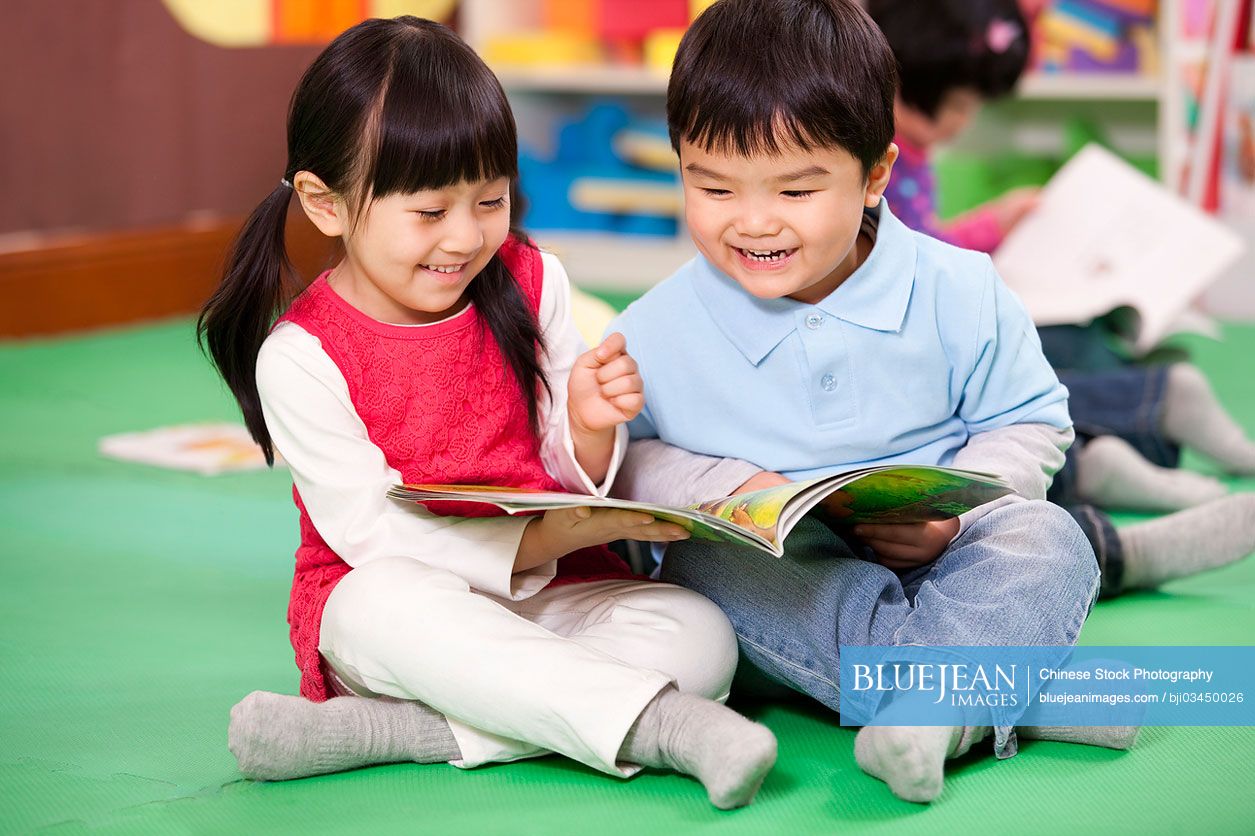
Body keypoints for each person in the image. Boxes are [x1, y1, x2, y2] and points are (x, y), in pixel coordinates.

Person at [197, 17, 776, 809]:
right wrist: (549, 536)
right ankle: (660, 728)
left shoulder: (534, 282)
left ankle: (405, 733)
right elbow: (375, 540)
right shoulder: (300, 356)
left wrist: (590, 424)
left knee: (697, 631)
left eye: (490, 200)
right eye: (429, 213)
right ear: (324, 204)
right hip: (409, 608)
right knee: (375, 608)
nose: (466, 237)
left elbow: (570, 466)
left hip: (556, 591)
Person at [607, 0, 1114, 804]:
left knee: (1049, 536)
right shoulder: (650, 328)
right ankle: (960, 700)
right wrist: (722, 486)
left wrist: (954, 511)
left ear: (876, 174)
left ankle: (934, 702)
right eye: (712, 186)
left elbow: (1028, 422)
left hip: (953, 556)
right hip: (794, 581)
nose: (753, 222)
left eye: (797, 190)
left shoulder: (958, 288)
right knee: (702, 565)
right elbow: (621, 459)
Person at [869, 0, 1255, 597]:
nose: (963, 124)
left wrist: (991, 229)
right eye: (961, 106)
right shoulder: (881, 154)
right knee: (1025, 379)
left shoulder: (901, 158)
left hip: (944, 347)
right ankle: (1131, 425)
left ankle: (1125, 425)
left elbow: (920, 248)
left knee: (1049, 364)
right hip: (925, 374)